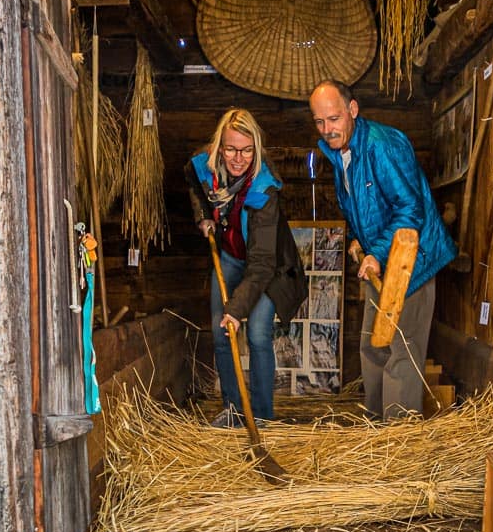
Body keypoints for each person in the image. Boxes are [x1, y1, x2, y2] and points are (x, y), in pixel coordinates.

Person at [309, 80, 456, 419]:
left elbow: (410, 210)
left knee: (401, 350)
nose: (327, 129)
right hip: (379, 262)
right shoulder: (340, 153)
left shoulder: (381, 146)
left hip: (412, 263)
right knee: (372, 345)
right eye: (319, 122)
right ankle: (375, 428)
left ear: (353, 110)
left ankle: (397, 439)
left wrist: (376, 251)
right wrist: (363, 241)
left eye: (333, 119)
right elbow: (366, 205)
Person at [187, 108, 308, 425]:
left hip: (269, 267)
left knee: (255, 333)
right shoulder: (207, 166)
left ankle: (263, 418)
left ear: (256, 147)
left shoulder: (264, 191)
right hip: (228, 256)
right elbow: (193, 179)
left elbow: (262, 263)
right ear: (219, 146)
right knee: (220, 332)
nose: (238, 158)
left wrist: (237, 308)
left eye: (246, 149)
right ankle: (233, 411)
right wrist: (203, 215)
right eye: (231, 149)